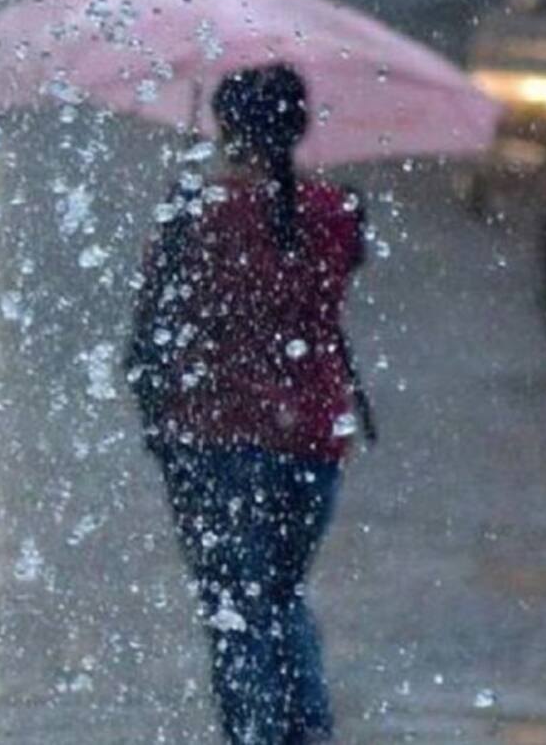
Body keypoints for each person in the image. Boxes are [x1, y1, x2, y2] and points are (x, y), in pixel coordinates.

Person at [126, 64, 370, 745]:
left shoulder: (198, 214)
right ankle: (307, 734)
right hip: (314, 438)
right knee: (282, 597)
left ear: (228, 128)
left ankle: (252, 737)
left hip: (214, 436)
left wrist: (183, 198)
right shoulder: (337, 212)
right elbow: (329, 273)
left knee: (234, 607)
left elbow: (158, 310)